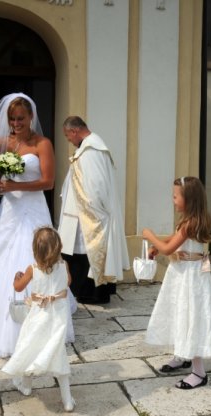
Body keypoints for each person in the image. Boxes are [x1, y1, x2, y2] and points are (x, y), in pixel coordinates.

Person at [0, 93, 75, 358]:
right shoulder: (3, 143)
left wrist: (13, 186)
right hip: (9, 210)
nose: (16, 123)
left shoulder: (43, 144)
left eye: (20, 118)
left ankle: (41, 324)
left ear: (31, 116)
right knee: (3, 256)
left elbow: (48, 182)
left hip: (33, 209)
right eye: (12, 119)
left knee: (37, 255)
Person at [143, 176, 211, 390]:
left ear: (189, 199)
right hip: (184, 274)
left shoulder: (190, 223)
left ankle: (199, 373)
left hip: (190, 278)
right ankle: (182, 356)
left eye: (176, 196)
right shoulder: (191, 221)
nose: (173, 200)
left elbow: (169, 248)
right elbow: (174, 239)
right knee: (180, 312)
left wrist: (150, 237)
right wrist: (159, 246)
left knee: (190, 317)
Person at [1, 227, 75, 412]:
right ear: (59, 248)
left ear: (35, 250)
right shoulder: (64, 265)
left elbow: (18, 287)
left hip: (38, 317)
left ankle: (26, 387)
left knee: (29, 347)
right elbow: (68, 282)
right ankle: (67, 400)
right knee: (58, 353)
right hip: (57, 318)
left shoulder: (32, 269)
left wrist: (16, 278)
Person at [58, 116, 130, 304]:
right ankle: (85, 292)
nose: (69, 140)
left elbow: (96, 186)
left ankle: (90, 294)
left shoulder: (91, 150)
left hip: (89, 215)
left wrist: (93, 214)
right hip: (83, 213)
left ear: (74, 131)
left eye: (67, 136)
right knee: (78, 251)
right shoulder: (90, 147)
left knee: (84, 252)